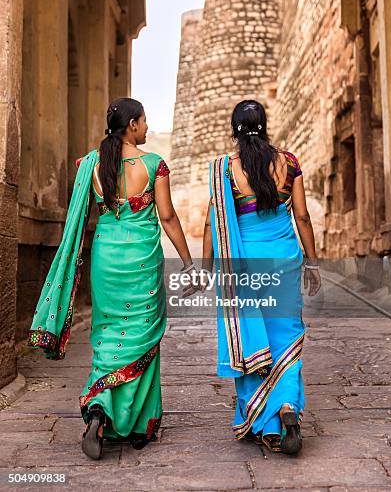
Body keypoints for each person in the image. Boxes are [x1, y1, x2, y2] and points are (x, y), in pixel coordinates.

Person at [28, 97, 195, 460]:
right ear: (133, 125)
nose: (148, 128)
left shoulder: (91, 164)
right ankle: (136, 425)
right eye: (145, 121)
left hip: (105, 259)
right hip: (140, 263)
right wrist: (188, 262)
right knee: (142, 335)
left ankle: (100, 407)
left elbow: (81, 219)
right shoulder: (154, 165)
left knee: (107, 336)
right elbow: (166, 218)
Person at [195, 99, 321, 454]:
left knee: (252, 337)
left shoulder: (223, 170)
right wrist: (312, 263)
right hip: (284, 259)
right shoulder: (289, 162)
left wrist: (206, 270)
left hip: (245, 266)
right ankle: (286, 407)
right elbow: (303, 217)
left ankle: (264, 422)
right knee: (287, 334)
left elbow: (211, 223)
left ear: (234, 129)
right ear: (265, 125)